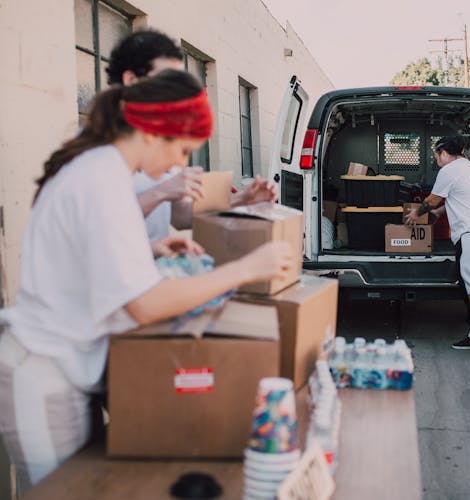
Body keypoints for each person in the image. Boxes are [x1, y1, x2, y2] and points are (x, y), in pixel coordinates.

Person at [0, 69, 293, 492]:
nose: (182, 164)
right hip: (44, 369)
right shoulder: (102, 178)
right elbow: (145, 304)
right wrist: (246, 269)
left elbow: (86, 254)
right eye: (183, 150)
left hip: (68, 366)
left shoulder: (104, 169)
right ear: (155, 133)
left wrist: (149, 250)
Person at [107, 28, 277, 241]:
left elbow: (180, 217)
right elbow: (100, 229)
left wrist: (242, 199)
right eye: (168, 80)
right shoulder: (98, 153)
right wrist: (162, 192)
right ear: (131, 80)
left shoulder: (166, 144)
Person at [405, 135, 470, 360]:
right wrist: (437, 213)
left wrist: (417, 213)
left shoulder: (449, 170)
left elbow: (433, 199)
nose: (436, 161)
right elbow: (460, 201)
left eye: (436, 156)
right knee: (467, 285)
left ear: (444, 152)